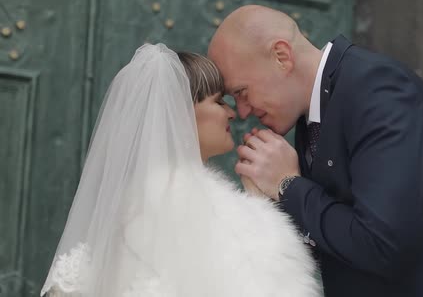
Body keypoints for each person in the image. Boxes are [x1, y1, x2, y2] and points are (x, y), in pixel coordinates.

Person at [208, 5, 423, 297]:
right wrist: (268, 206)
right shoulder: (308, 117)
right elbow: (337, 240)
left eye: (242, 93)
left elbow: (384, 245)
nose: (243, 112)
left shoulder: (378, 90)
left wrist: (288, 186)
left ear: (281, 57)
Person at [40, 43, 320, 297]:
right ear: (181, 109)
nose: (233, 113)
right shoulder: (190, 201)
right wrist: (276, 194)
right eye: (219, 101)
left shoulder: (141, 195)